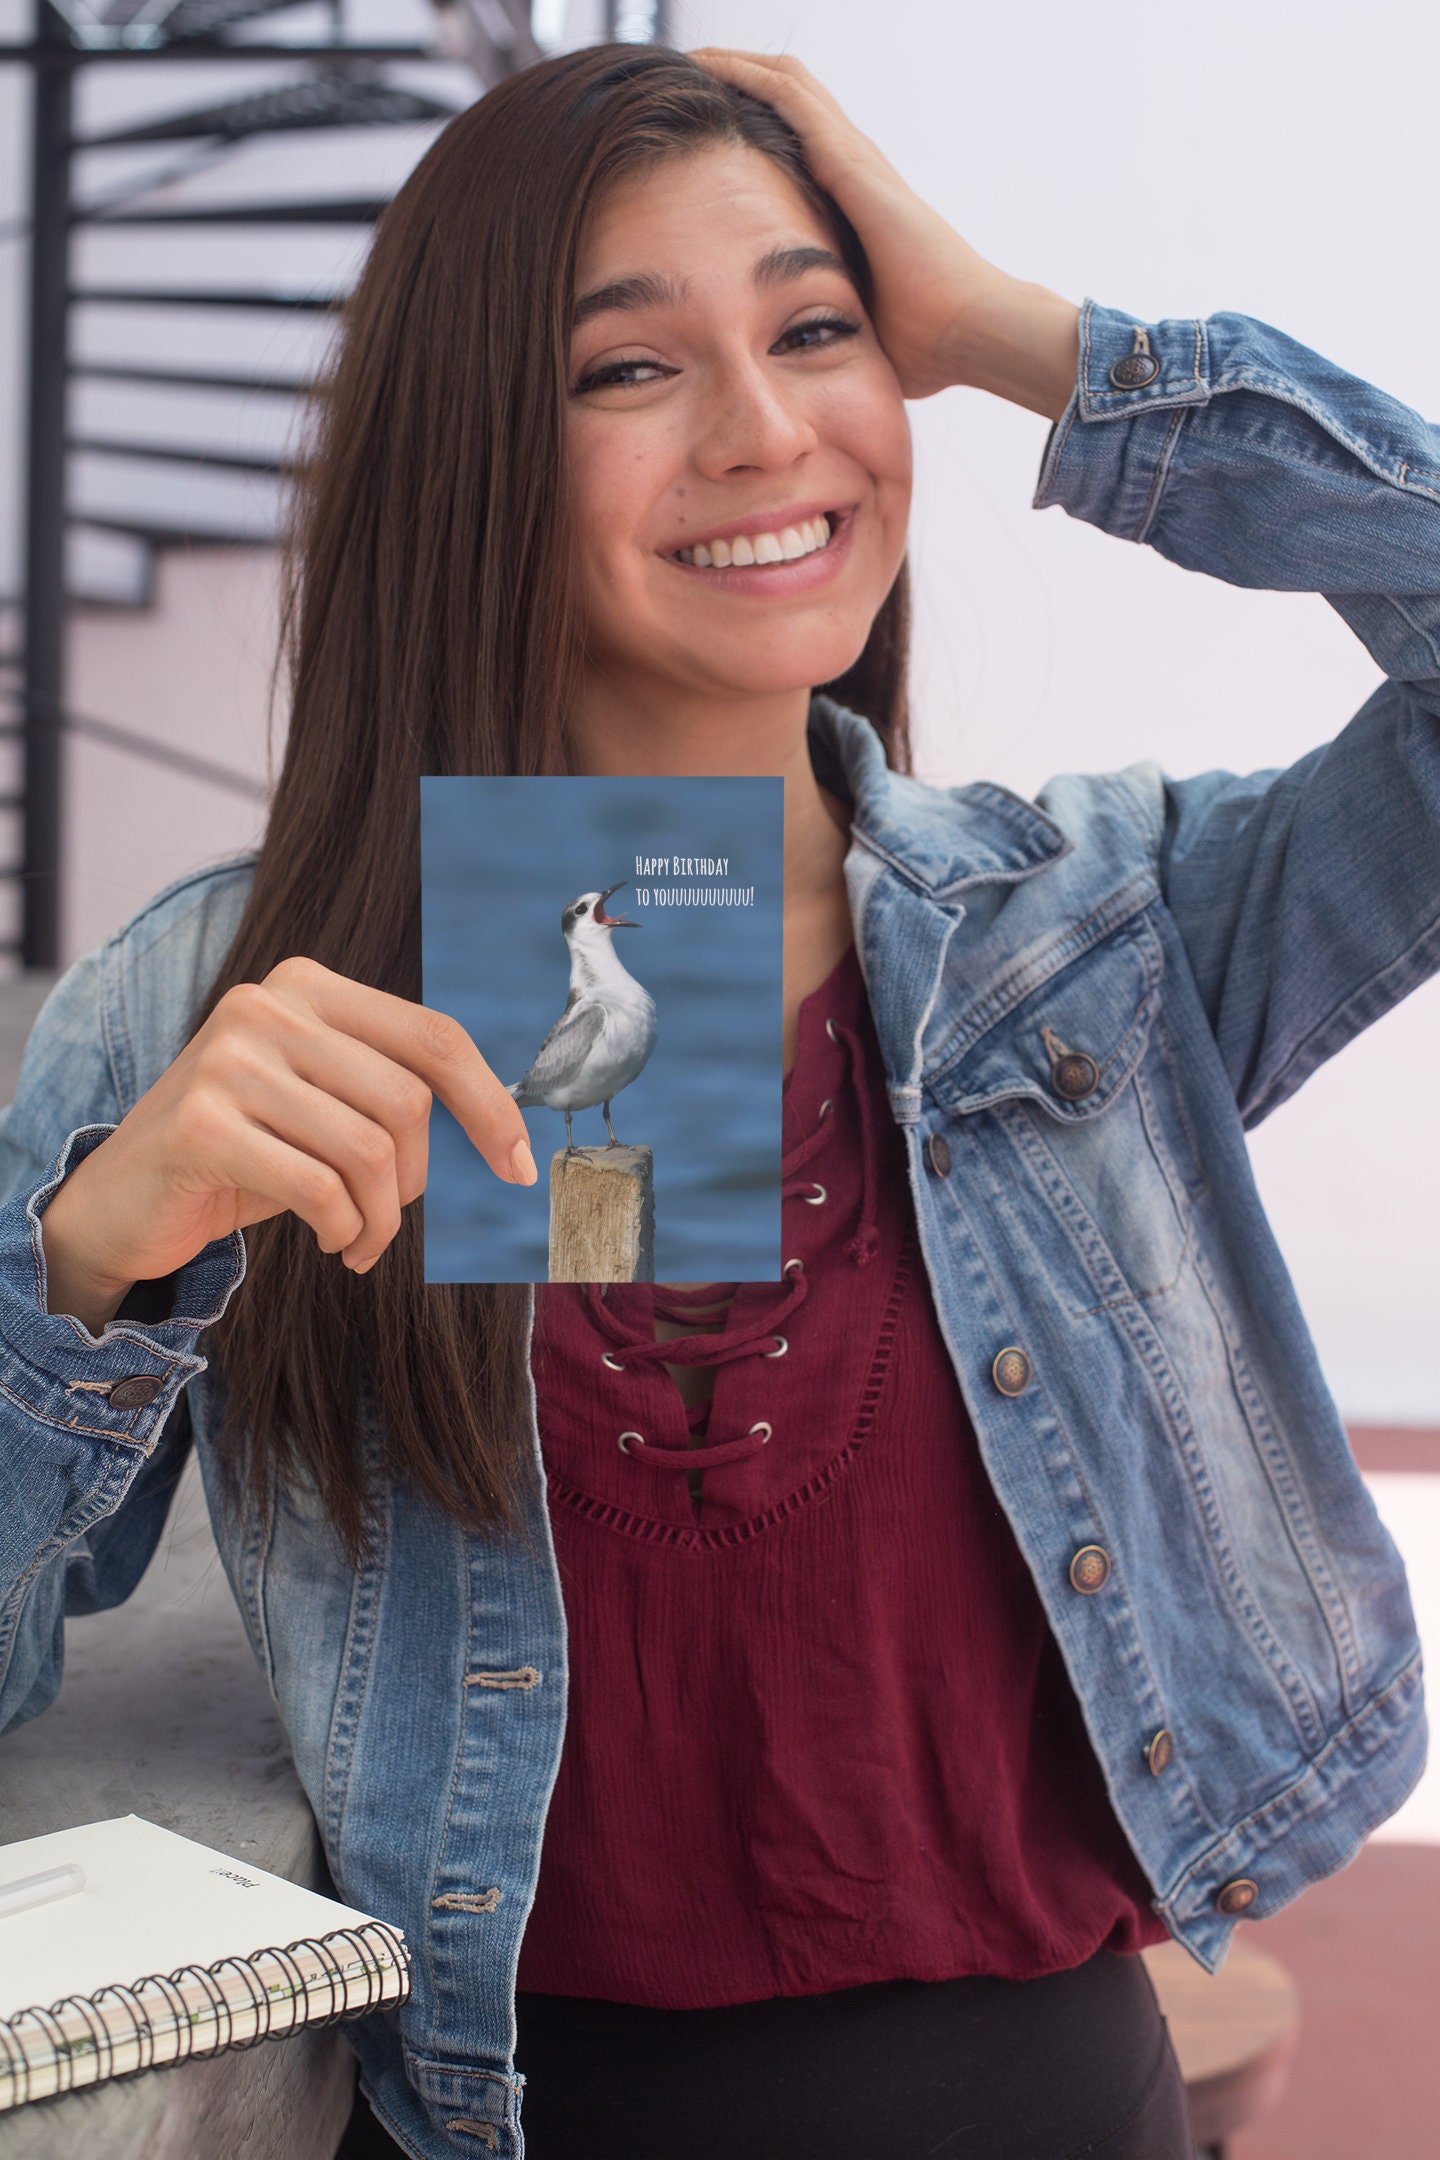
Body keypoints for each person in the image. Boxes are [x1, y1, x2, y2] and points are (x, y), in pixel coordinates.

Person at [0, 38, 1433, 2160]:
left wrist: (1026, 341)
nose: (767, 431)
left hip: (1049, 2103)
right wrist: (84, 1274)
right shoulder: (213, 1010)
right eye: (626, 370)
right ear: (475, 447)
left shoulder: (1102, 939)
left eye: (818, 329)